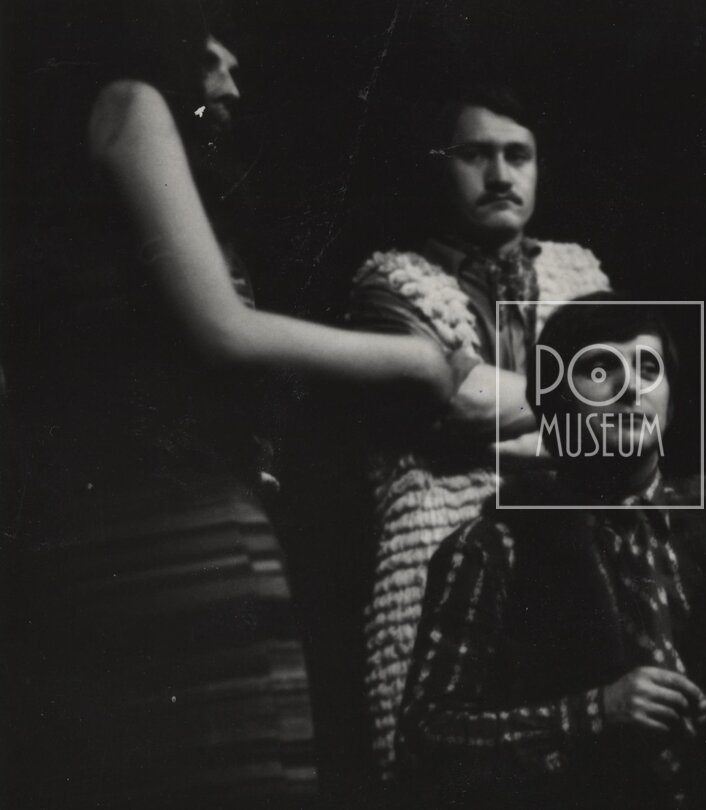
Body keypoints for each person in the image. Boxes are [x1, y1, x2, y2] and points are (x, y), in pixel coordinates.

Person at [4, 2, 455, 807]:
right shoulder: (130, 102)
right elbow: (224, 331)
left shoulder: (71, 172)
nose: (232, 73)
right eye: (213, 48)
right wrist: (419, 360)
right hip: (173, 527)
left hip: (100, 533)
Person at [393, 295, 706, 809]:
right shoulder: (491, 548)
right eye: (600, 369)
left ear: (671, 405)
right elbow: (422, 745)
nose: (631, 387)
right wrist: (593, 715)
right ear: (552, 401)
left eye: (648, 369)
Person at [346, 85, 610, 778]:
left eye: (517, 155)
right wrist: (577, 410)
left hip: (575, 565)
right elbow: (455, 402)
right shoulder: (391, 285)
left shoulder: (581, 275)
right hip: (438, 567)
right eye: (475, 154)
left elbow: (623, 414)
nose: (499, 175)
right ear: (440, 164)